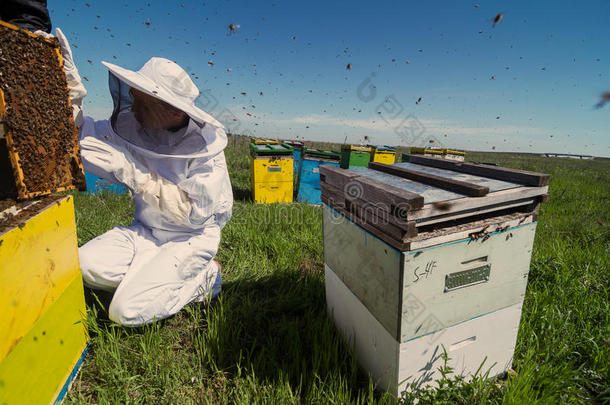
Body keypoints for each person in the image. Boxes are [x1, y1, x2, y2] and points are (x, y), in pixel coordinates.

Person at [55, 30, 233, 327]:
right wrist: (71, 94)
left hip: (189, 240)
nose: (132, 108)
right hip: (144, 231)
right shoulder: (131, 125)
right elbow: (78, 137)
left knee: (126, 312)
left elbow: (194, 215)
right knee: (83, 266)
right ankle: (154, 276)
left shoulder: (206, 152)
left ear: (174, 111)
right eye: (133, 98)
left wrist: (134, 174)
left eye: (142, 103)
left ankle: (205, 277)